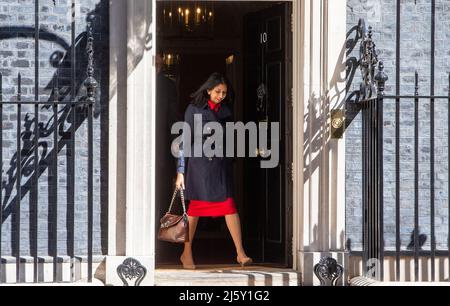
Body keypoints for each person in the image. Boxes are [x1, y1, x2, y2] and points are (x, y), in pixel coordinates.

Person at [175, 72, 252, 269]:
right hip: (200, 168)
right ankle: (186, 254)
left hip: (220, 168)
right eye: (218, 91)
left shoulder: (226, 111)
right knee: (195, 211)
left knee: (229, 207)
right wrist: (180, 171)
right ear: (209, 90)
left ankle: (240, 253)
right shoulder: (193, 110)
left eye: (224, 92)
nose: (221, 95)